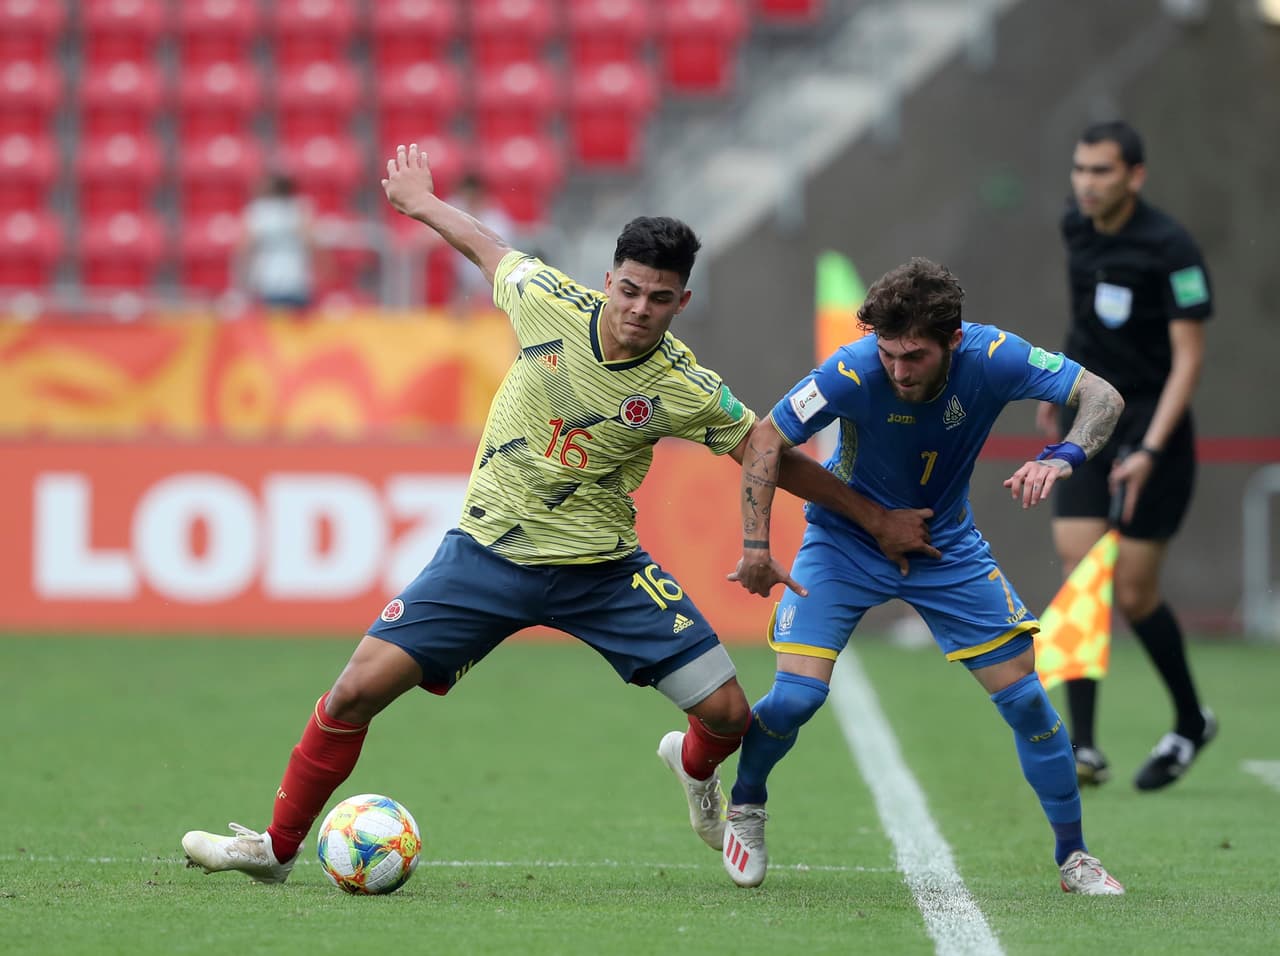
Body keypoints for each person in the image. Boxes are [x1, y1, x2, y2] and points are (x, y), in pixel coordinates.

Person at [180, 143, 938, 884]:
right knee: (351, 693)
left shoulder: (684, 386)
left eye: (660, 298)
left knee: (730, 714)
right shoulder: (546, 300)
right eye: (630, 290)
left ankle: (692, 768)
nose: (640, 310)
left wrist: (873, 519)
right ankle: (274, 851)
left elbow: (767, 450)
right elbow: (485, 243)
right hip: (485, 556)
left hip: (602, 572)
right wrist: (419, 202)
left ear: (683, 302)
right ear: (608, 280)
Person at [720, 257, 1128, 894]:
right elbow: (767, 437)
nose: (898, 371)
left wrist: (1065, 455)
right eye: (888, 355)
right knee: (798, 698)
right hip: (843, 543)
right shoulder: (851, 369)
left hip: (947, 547)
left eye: (913, 357)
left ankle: (1074, 858)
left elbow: (1103, 396)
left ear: (953, 343)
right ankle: (746, 804)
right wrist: (755, 545)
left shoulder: (996, 357)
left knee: (1027, 702)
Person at [1035, 120, 1215, 790]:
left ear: (1134, 176)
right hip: (1093, 412)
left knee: (1135, 592)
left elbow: (1189, 363)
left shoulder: (1172, 249)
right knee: (1080, 567)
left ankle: (1192, 721)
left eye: (1102, 171)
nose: (1086, 183)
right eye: (1080, 169)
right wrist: (1060, 386)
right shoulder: (1075, 228)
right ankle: (1082, 745)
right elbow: (1083, 320)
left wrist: (1150, 450)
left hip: (1155, 425)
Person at [237, 171, 319, 311]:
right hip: (297, 281)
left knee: (274, 329)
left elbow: (245, 248)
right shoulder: (299, 209)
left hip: (269, 282)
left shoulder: (258, 212)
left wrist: (242, 279)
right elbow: (312, 244)